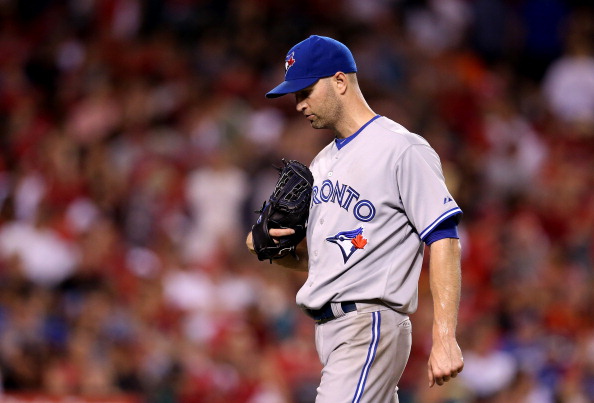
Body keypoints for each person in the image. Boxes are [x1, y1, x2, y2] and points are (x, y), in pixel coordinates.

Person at [246, 35, 464, 402]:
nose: (299, 105)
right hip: (334, 333)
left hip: (368, 323)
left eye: (305, 92)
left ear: (340, 81)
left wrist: (445, 339)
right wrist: (270, 249)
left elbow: (444, 238)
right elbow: (323, 261)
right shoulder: (322, 163)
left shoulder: (400, 148)